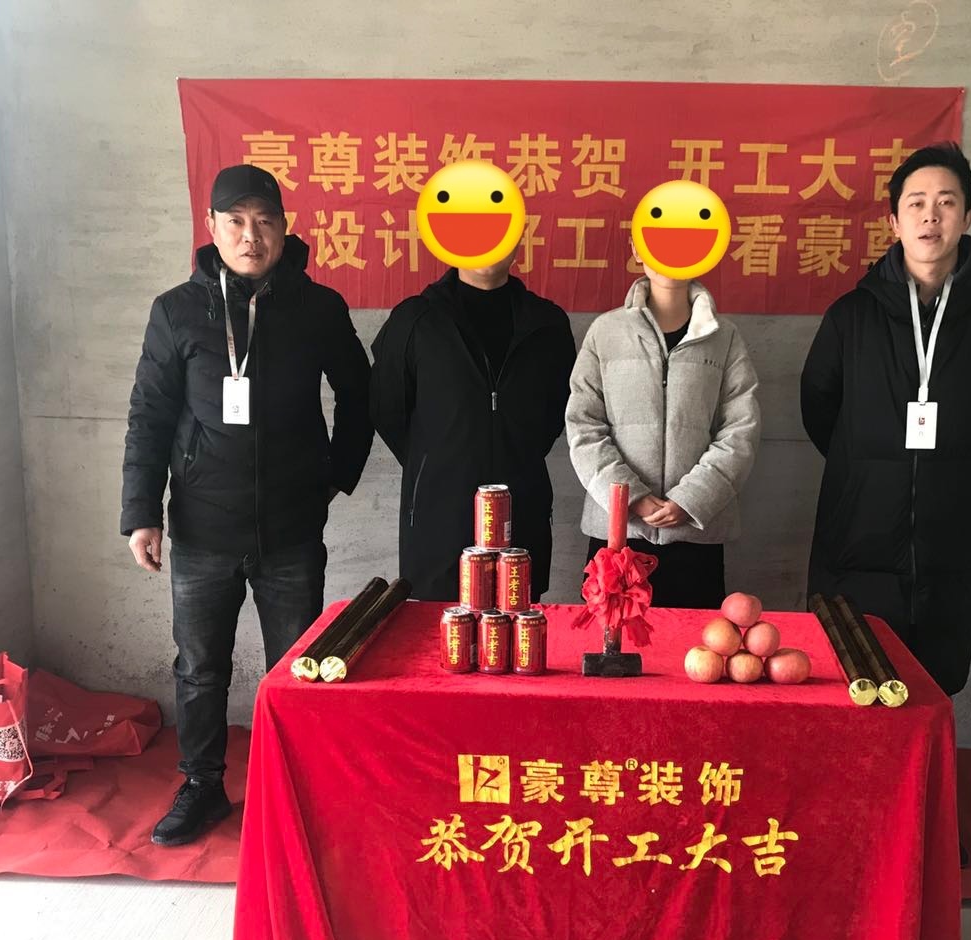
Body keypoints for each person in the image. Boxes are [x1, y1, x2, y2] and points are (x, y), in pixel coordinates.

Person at [121, 164, 373, 845]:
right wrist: (141, 512)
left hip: (291, 528)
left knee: (297, 669)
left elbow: (361, 396)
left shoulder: (318, 308)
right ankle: (202, 786)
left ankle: (295, 789)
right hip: (202, 525)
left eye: (264, 221)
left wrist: (335, 475)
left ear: (285, 228)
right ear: (211, 227)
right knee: (200, 667)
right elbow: (149, 414)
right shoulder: (176, 311)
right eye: (235, 221)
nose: (250, 236)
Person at [800, 142, 971, 695]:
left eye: (946, 202)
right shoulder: (852, 316)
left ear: (966, 217)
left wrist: (953, 463)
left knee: (932, 687)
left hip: (950, 533)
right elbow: (818, 406)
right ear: (894, 221)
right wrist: (870, 465)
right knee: (852, 682)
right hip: (858, 534)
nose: (931, 216)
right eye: (917, 203)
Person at [369, 248, 576, 601]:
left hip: (520, 516)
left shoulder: (548, 324)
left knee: (517, 626)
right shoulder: (414, 320)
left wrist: (509, 449)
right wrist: (434, 462)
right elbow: (387, 408)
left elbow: (557, 411)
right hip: (439, 522)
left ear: (518, 238)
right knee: (440, 631)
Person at [565, 246, 761, 608]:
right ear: (637, 249)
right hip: (617, 534)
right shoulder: (605, 332)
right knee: (614, 638)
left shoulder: (725, 337)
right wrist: (631, 499)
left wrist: (691, 499)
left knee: (695, 639)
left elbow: (740, 429)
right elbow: (583, 425)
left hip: (695, 533)